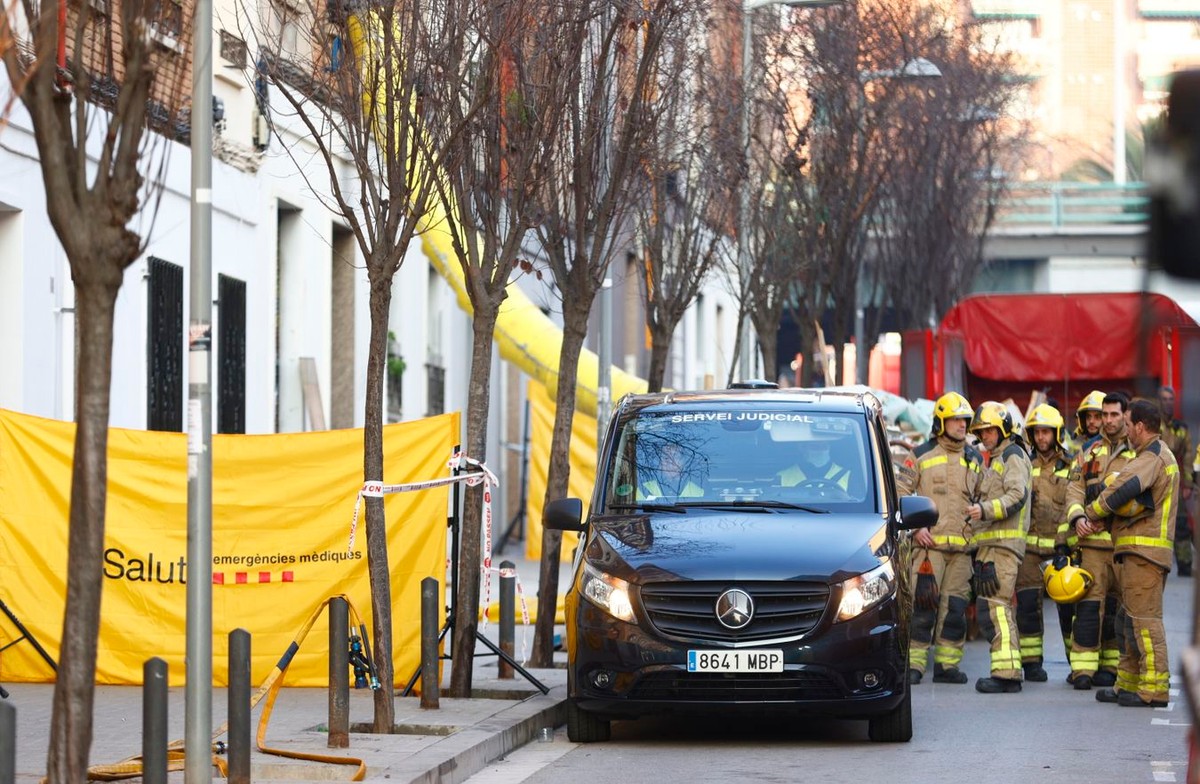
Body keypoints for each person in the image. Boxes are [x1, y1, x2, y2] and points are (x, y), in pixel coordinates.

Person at [1078, 398, 1180, 708]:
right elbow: (1136, 505)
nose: (1124, 429)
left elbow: (1123, 488)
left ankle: (1154, 689)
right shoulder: (1152, 455)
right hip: (1136, 552)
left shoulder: (1152, 457)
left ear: (1140, 426)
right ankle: (1128, 684)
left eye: (1127, 423)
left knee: (1145, 623)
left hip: (1145, 554)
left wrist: (1093, 513)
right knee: (1128, 621)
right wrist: (1107, 520)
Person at [906, 391, 985, 685]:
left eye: (965, 420)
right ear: (941, 422)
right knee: (922, 609)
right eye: (956, 420)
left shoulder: (975, 458)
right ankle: (914, 665)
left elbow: (983, 498)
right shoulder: (920, 455)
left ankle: (947, 666)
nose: (963, 425)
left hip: (962, 552)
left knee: (955, 611)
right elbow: (900, 492)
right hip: (930, 550)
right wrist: (916, 528)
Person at [1060, 391, 1133, 690]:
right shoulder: (1088, 451)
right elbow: (1074, 489)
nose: (1108, 420)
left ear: (1126, 415)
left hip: (1122, 545)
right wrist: (1078, 519)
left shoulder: (1138, 452)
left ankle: (1112, 667)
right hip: (1090, 545)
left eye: (1114, 414)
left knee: (1117, 609)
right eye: (1105, 415)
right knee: (1088, 608)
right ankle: (1083, 669)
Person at [965, 401, 1033, 694]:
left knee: (998, 608)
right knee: (991, 608)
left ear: (1003, 428)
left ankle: (1007, 675)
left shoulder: (1012, 455)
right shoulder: (995, 459)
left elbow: (1017, 495)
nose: (985, 436)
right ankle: (1005, 670)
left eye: (989, 430)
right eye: (981, 432)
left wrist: (985, 509)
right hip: (991, 546)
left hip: (1004, 547)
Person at [1016, 403, 1073, 683]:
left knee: (1067, 610)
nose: (1041, 437)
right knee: (1028, 607)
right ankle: (1031, 664)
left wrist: (1066, 547)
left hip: (1060, 550)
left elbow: (1073, 506)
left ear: (1057, 433)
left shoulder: (1071, 466)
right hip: (1028, 551)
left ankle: (1077, 664)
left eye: (1046, 432)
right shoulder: (1024, 464)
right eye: (1037, 432)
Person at [1158, 385, 1194, 576]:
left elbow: (1188, 456)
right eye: (1164, 399)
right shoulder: (1153, 425)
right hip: (1156, 480)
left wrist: (1187, 484)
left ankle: (1185, 565)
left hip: (1176, 481)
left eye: (1171, 399)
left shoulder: (1181, 429)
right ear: (1159, 402)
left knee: (1181, 524)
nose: (1168, 403)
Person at [778, 439, 852, 492]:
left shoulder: (849, 476)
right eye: (815, 447)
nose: (821, 450)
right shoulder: (781, 476)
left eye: (824, 446)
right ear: (802, 448)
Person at [638, 441, 704, 499]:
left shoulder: (699, 493)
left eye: (675, 457)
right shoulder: (643, 489)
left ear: (683, 462)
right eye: (666, 458)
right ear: (660, 464)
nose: (670, 461)